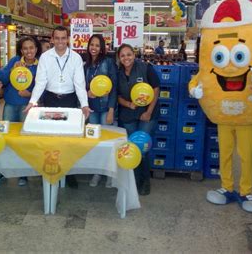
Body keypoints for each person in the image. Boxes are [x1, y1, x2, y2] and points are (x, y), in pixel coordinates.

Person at [24, 26, 90, 188]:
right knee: (50, 137)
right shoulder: (46, 57)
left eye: (63, 38)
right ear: (52, 39)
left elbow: (80, 84)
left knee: (70, 139)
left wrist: (84, 105)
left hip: (69, 100)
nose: (60, 42)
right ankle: (49, 170)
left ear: (68, 39)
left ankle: (69, 173)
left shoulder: (75, 58)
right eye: (57, 38)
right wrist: (32, 101)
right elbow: (40, 82)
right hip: (51, 99)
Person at [116, 44, 160, 196]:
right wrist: (128, 104)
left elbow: (156, 89)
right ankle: (134, 180)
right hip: (128, 115)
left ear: (134, 55)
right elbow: (117, 96)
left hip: (147, 115)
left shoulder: (145, 68)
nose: (126, 58)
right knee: (132, 148)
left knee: (143, 148)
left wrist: (149, 111)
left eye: (129, 54)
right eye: (123, 55)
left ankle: (145, 181)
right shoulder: (118, 73)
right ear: (119, 58)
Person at [2, 36, 41, 186]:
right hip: (11, 104)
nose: (29, 51)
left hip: (28, 107)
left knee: (24, 139)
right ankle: (3, 169)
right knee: (6, 137)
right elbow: (3, 79)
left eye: (31, 48)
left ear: (36, 49)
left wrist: (30, 94)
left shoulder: (40, 65)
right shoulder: (15, 61)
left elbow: (43, 87)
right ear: (21, 50)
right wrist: (12, 70)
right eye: (25, 48)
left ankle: (23, 173)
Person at [84, 34, 118, 187]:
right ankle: (97, 172)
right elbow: (81, 86)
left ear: (102, 47)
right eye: (92, 44)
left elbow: (114, 87)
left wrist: (111, 110)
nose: (94, 48)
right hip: (92, 109)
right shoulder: (86, 65)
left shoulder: (108, 63)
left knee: (108, 142)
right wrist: (86, 94)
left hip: (105, 108)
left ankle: (110, 174)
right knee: (95, 142)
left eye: (97, 45)